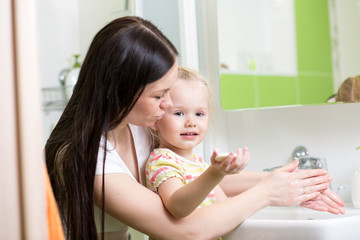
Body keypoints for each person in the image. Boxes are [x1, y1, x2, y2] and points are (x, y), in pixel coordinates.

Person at [45, 16, 344, 240]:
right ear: (120, 91)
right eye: (159, 95)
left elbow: (193, 183)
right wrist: (267, 193)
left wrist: (290, 182)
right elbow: (185, 230)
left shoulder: (136, 127)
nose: (166, 107)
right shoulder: (84, 156)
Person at [146, 67, 250, 224]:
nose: (191, 123)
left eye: (199, 114)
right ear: (155, 120)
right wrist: (215, 173)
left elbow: (225, 210)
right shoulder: (161, 161)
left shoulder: (197, 164)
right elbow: (178, 206)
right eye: (179, 113)